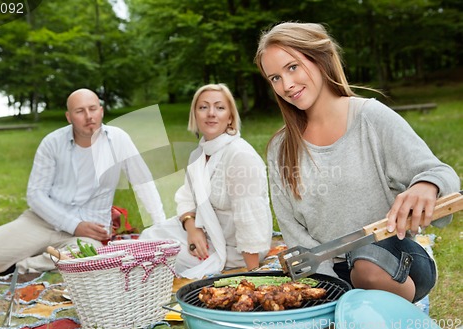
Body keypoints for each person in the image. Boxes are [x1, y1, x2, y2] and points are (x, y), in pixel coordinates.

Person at [254, 22, 460, 303]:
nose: (287, 85)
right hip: (326, 270)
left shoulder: (371, 118)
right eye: (275, 78)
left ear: (321, 59)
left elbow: (439, 172)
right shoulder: (280, 148)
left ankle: (397, 313)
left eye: (293, 67)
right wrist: (328, 286)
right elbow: (292, 230)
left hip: (394, 262)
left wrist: (427, 185)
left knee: (366, 265)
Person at [0, 88, 166, 278]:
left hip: (90, 234)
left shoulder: (119, 140)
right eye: (80, 111)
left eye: (93, 109)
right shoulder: (52, 143)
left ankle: (22, 266)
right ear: (69, 117)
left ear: (101, 111)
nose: (89, 116)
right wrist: (74, 224)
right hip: (42, 222)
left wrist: (160, 227)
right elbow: (36, 195)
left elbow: (143, 183)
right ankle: (31, 257)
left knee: (93, 255)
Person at [140, 83, 273, 279]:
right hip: (204, 234)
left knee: (157, 255)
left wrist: (252, 273)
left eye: (219, 108)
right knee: (147, 239)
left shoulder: (240, 156)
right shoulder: (199, 154)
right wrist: (192, 229)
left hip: (235, 249)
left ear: (230, 117)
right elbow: (186, 198)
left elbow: (249, 220)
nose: (211, 113)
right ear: (195, 115)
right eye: (203, 107)